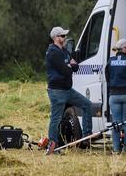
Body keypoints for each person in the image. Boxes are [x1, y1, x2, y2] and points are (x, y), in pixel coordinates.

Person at [45, 26, 93, 155]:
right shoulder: (53, 52)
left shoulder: (65, 51)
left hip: (68, 90)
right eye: (62, 36)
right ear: (56, 38)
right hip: (57, 91)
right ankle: (52, 146)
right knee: (56, 119)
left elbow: (75, 67)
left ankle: (87, 136)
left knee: (87, 105)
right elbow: (65, 71)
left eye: (65, 36)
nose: (65, 38)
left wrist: (70, 65)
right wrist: (69, 66)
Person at [106, 38, 126, 153]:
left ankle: (116, 149)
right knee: (125, 123)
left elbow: (107, 77)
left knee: (115, 123)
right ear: (123, 48)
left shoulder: (110, 61)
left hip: (113, 96)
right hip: (125, 94)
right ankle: (125, 149)